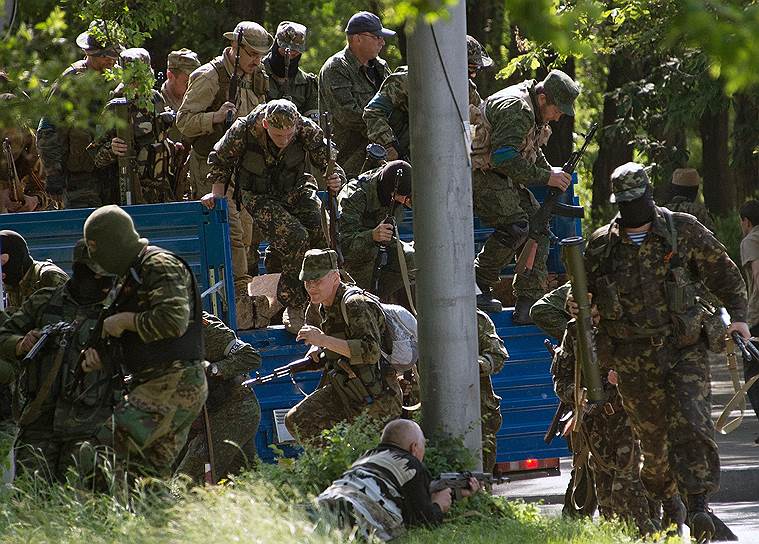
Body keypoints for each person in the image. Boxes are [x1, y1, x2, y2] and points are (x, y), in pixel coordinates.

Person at [585, 162, 749, 541]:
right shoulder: (600, 246)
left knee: (692, 423)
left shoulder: (682, 231)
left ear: (649, 195)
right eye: (625, 202)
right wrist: (579, 307)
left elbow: (725, 275)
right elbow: (579, 296)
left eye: (637, 199)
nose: (632, 207)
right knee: (654, 449)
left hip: (683, 349)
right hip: (631, 359)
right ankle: (669, 501)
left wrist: (739, 319)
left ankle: (698, 505)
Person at [81, 205, 208, 477]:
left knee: (97, 454)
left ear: (113, 243)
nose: (95, 257)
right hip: (160, 382)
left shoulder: (158, 264)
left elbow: (173, 321)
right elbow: (135, 341)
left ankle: (91, 519)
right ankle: (163, 520)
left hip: (173, 382)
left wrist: (125, 321)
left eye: (95, 247)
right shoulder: (133, 273)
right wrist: (101, 357)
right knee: (144, 479)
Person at [205, 99, 344, 333]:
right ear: (266, 124)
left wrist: (335, 178)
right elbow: (220, 160)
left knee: (321, 234)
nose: (285, 140)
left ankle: (323, 306)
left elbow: (328, 162)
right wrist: (216, 195)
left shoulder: (305, 128)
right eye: (279, 135)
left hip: (296, 188)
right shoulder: (244, 130)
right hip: (259, 195)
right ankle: (294, 305)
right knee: (295, 238)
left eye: (290, 135)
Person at [176, 21, 272, 327]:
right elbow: (183, 122)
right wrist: (214, 117)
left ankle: (239, 303)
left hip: (245, 171)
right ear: (236, 47)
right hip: (212, 170)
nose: (257, 60)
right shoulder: (210, 76)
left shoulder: (257, 78)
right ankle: (235, 302)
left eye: (261, 55)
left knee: (244, 237)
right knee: (228, 236)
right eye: (252, 53)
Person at [0, 240, 116, 484]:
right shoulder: (44, 301)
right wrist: (21, 343)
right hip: (40, 421)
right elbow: (4, 335)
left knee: (85, 503)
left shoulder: (117, 309)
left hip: (91, 427)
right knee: (30, 500)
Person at [471, 70, 579, 321]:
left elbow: (527, 149)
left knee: (538, 224)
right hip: (477, 174)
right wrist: (546, 177)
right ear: (543, 98)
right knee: (517, 225)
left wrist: (549, 170)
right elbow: (503, 157)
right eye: (557, 109)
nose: (559, 116)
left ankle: (528, 301)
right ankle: (477, 282)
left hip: (498, 175)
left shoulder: (532, 110)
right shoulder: (517, 109)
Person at [284, 249, 402, 444]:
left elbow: (370, 351)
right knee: (298, 420)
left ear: (335, 277)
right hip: (347, 390)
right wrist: (320, 350)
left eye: (317, 281)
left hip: (378, 398)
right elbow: (339, 343)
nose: (312, 287)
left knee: (375, 455)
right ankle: (335, 469)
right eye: (307, 282)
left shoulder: (354, 303)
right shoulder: (324, 305)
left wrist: (322, 341)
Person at [317, 419, 479, 541]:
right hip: (354, 519)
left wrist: (455, 494)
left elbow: (399, 496)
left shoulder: (365, 458)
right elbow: (423, 522)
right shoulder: (410, 464)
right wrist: (439, 506)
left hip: (322, 504)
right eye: (423, 446)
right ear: (414, 448)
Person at [37, 19, 123, 208]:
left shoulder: (120, 78)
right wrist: (53, 173)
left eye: (113, 54)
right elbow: (48, 129)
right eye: (104, 55)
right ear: (88, 52)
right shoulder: (71, 80)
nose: (110, 59)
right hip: (81, 177)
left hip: (116, 172)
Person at [363, 35, 491, 162]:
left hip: (444, 159)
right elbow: (373, 111)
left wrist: (471, 149)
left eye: (476, 70)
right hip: (403, 158)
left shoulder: (466, 89)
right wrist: (389, 145)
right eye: (470, 69)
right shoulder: (407, 80)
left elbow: (478, 119)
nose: (473, 75)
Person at [175, 311, 261, 483]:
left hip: (233, 411)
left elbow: (250, 357)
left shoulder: (199, 326)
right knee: (245, 483)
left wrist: (213, 369)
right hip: (198, 415)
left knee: (184, 482)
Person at [90, 48, 177, 204]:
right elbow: (95, 156)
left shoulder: (155, 98)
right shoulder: (116, 107)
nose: (138, 82)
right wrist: (112, 149)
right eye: (134, 77)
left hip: (161, 190)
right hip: (132, 191)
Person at [319, 11, 394, 178]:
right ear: (357, 38)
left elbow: (395, 102)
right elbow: (349, 115)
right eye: (376, 37)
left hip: (381, 156)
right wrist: (386, 136)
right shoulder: (336, 68)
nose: (382, 42)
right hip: (348, 163)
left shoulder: (380, 66)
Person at [337, 160, 414, 300]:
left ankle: (391, 304)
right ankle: (372, 302)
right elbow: (342, 245)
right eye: (405, 197)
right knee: (364, 294)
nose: (406, 201)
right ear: (391, 192)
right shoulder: (354, 195)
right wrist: (372, 236)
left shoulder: (403, 184)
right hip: (355, 256)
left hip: (385, 244)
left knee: (415, 261)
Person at [160, 48, 201, 200]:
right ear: (170, 75)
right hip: (164, 181)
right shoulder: (155, 104)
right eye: (187, 82)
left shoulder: (198, 101)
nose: (192, 88)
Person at [263, 21, 318, 118]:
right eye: (285, 51)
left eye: (295, 54)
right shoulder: (256, 72)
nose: (289, 57)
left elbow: (313, 122)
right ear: (276, 45)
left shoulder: (307, 84)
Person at [476, 309, 508, 473]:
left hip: (478, 410)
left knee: (482, 470)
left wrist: (476, 364)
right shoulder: (423, 313)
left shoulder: (476, 319)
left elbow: (497, 356)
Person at [739, 199, 759, 431]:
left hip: (757, 317)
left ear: (746, 221)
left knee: (753, 374)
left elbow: (757, 275)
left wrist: (748, 315)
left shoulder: (751, 239)